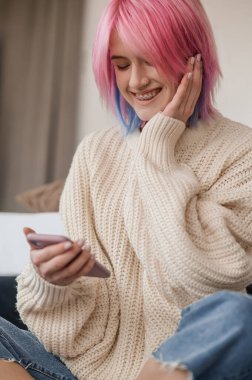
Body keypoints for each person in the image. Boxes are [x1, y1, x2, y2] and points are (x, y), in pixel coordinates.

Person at [1, 0, 252, 379]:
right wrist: (52, 282)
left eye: (151, 60)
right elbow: (70, 336)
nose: (135, 82)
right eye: (121, 65)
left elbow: (202, 278)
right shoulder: (94, 153)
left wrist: (157, 147)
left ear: (192, 57)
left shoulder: (241, 152)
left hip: (180, 361)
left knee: (238, 315)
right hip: (80, 370)